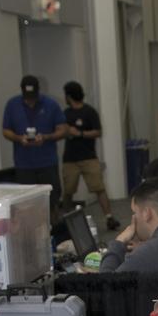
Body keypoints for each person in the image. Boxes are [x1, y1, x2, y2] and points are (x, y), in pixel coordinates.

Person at [2, 75, 68, 211]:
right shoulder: (12, 105)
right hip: (24, 164)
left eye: (33, 96)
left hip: (47, 163)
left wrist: (46, 137)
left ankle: (53, 226)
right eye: (27, 96)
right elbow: (6, 130)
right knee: (26, 203)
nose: (30, 100)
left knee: (52, 199)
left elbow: (63, 129)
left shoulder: (51, 104)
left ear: (38, 91)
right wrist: (19, 138)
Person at [61, 81, 114, 223]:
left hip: (88, 157)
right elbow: (60, 131)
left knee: (99, 188)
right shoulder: (65, 113)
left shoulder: (89, 111)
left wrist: (80, 133)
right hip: (70, 158)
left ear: (69, 96)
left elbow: (98, 132)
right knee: (68, 191)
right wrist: (67, 132)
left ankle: (109, 217)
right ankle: (65, 219)